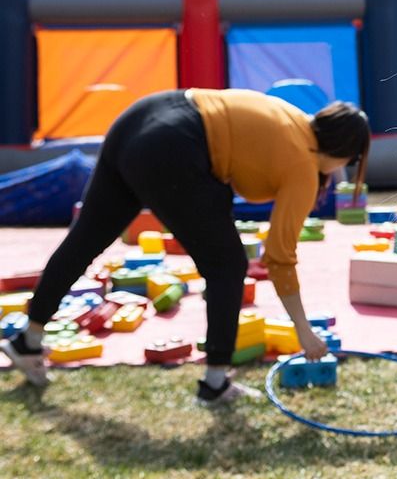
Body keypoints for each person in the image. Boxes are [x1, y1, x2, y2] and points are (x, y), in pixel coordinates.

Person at [0, 89, 370, 402]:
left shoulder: (291, 115)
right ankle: (215, 383)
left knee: (85, 239)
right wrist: (303, 330)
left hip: (140, 118)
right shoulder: (303, 165)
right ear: (343, 152)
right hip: (175, 144)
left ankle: (28, 340)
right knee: (227, 266)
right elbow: (279, 257)